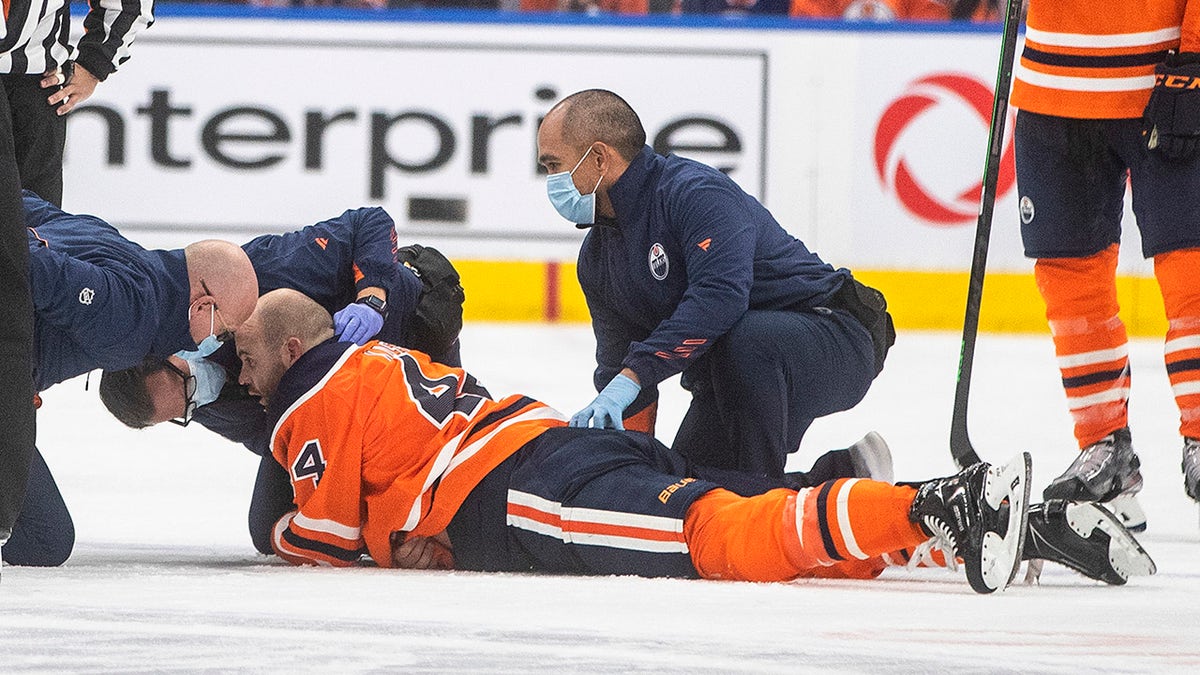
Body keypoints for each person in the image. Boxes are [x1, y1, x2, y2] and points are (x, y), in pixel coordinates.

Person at [235, 288, 1036, 594]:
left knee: (709, 533)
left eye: (247, 358)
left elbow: (326, 536)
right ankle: (920, 523)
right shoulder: (382, 355)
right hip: (549, 442)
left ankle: (935, 508)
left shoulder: (313, 395)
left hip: (520, 500)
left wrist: (290, 525)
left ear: (292, 349)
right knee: (715, 498)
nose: (243, 379)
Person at [536, 89, 895, 482]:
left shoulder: (693, 193)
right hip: (732, 372)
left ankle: (766, 510)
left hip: (834, 337)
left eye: (554, 165)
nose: (551, 180)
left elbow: (721, 297)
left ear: (600, 158)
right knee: (687, 492)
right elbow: (619, 369)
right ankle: (847, 474)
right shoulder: (598, 259)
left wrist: (634, 375)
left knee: (748, 339)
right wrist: (627, 467)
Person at [98, 206, 468, 555]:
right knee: (269, 527)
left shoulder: (248, 277)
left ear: (169, 347)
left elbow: (369, 222)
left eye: (189, 387)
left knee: (443, 486)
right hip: (343, 408)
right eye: (188, 412)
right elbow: (271, 440)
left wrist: (372, 297)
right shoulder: (199, 402)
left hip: (407, 333)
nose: (202, 401)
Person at [1010, 0, 1200, 530]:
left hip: (1167, 74)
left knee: (1192, 264)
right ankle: (1104, 448)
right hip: (1050, 82)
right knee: (1070, 277)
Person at [0, 191, 259, 566]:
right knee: (44, 538)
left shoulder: (106, 236)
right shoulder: (133, 320)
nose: (214, 342)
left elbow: (15, 201)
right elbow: (26, 266)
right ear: (203, 306)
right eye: (222, 331)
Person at [13, 0, 154, 206]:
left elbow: (129, 5)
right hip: (33, 86)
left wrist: (95, 63)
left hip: (32, 85)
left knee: (35, 228)